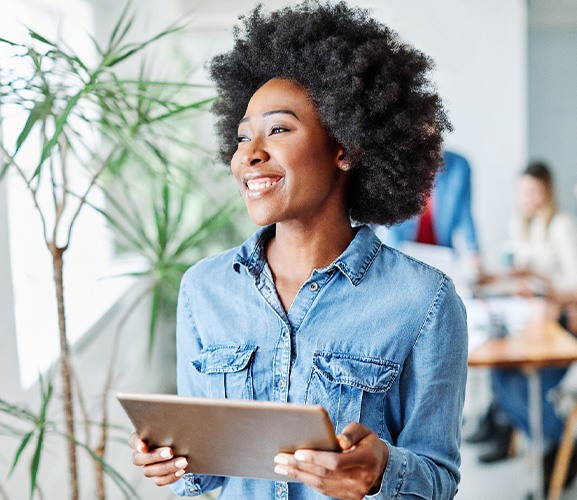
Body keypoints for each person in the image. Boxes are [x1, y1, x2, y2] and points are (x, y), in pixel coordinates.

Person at [128, 3, 468, 499]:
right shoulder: (204, 290)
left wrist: (381, 470)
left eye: (279, 129)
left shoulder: (425, 302)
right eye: (243, 137)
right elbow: (204, 475)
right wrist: (174, 463)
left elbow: (438, 480)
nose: (250, 153)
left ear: (345, 147)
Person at [487, 163, 577, 492]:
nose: (528, 198)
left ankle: (560, 443)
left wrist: (544, 286)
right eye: (522, 191)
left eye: (534, 191)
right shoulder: (520, 225)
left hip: (561, 322)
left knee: (538, 387)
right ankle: (552, 442)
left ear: (547, 192)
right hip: (530, 319)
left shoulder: (561, 226)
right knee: (501, 373)